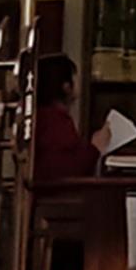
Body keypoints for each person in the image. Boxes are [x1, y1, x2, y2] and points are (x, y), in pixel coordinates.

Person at [28, 52, 98, 185]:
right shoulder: (54, 122)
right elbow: (65, 170)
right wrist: (94, 148)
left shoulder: (43, 116)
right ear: (66, 86)